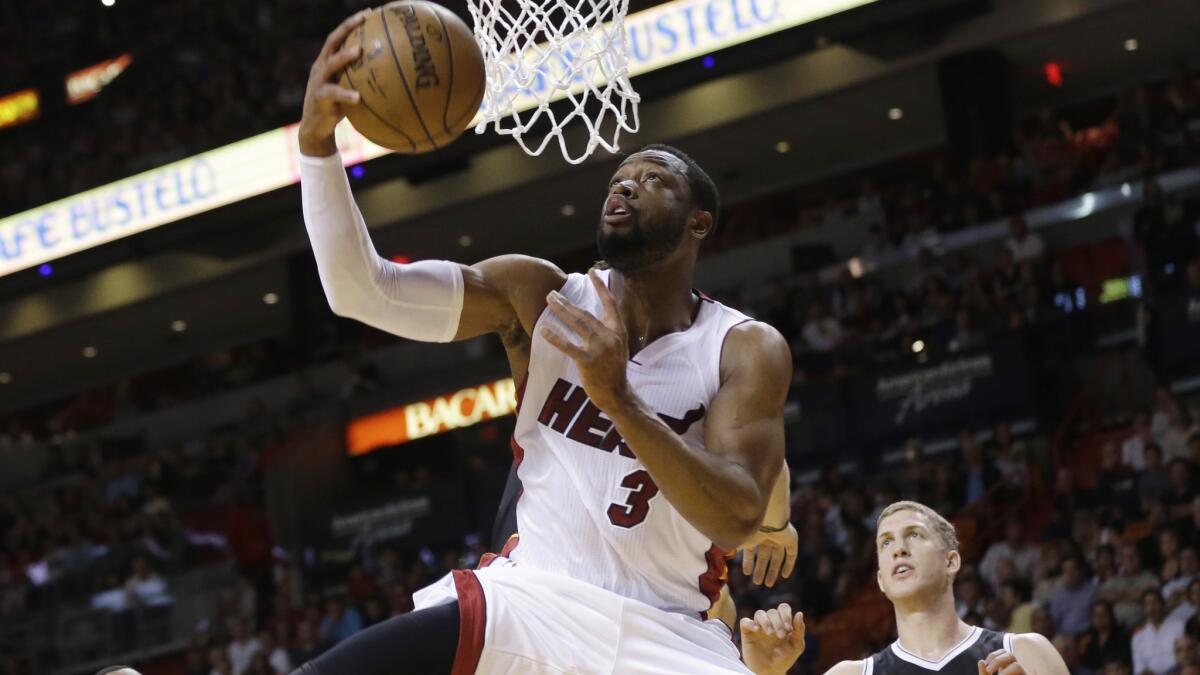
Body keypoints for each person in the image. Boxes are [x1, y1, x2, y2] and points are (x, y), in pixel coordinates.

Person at [294, 12, 791, 675]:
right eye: (620, 176)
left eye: (654, 179)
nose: (625, 184)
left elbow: (734, 516)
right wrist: (316, 147)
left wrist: (618, 398)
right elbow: (364, 292)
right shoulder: (539, 296)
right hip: (527, 602)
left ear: (698, 224)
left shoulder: (743, 347)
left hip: (667, 637)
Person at [743, 501, 1070, 674]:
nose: (898, 548)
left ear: (951, 561)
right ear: (882, 581)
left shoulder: (1027, 652)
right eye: (885, 543)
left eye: (914, 535)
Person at [1132, 589, 1185, 675]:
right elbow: (1139, 669)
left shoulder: (1179, 625)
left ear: (1163, 604)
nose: (1152, 607)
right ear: (1143, 609)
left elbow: (1185, 656)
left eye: (1155, 603)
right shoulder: (1138, 637)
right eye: (1148, 604)